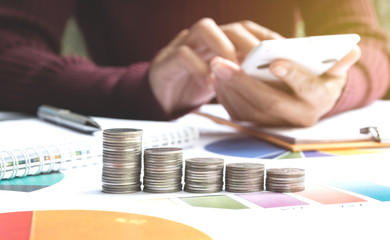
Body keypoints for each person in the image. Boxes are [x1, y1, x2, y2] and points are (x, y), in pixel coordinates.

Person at [0, 0, 388, 127]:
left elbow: (368, 40)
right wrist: (135, 88)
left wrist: (335, 86)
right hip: (139, 127)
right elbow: (9, 46)